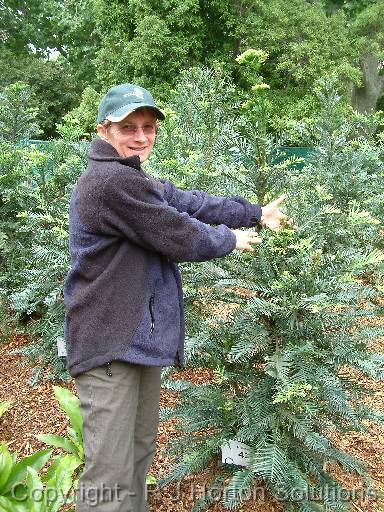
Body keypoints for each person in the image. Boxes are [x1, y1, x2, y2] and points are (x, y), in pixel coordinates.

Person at [64, 83, 290, 512]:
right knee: (108, 476)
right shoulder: (109, 182)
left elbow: (188, 201)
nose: (140, 136)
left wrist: (255, 213)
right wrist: (233, 239)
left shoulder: (134, 178)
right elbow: (177, 232)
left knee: (137, 453)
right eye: (127, 126)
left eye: (148, 126)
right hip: (108, 342)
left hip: (137, 341)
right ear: (102, 131)